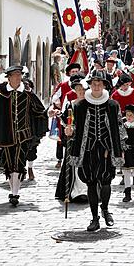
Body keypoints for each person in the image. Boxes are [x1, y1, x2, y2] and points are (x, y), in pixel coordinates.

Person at [0, 65, 48, 206]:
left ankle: (15, 193)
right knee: (10, 163)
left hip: (24, 135)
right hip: (6, 135)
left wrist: (45, 115)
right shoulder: (1, 94)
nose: (17, 78)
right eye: (14, 75)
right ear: (9, 77)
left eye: (19, 75)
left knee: (19, 162)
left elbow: (39, 109)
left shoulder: (28, 93)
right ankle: (13, 189)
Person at [68, 70, 127, 231]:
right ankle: (94, 218)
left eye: (99, 84)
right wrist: (70, 131)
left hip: (107, 150)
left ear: (104, 86)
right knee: (91, 183)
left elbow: (120, 127)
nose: (96, 86)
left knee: (106, 181)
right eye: (93, 84)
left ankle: (106, 209)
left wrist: (121, 148)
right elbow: (74, 127)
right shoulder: (80, 106)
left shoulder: (112, 105)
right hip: (86, 150)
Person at [54, 74, 88, 202]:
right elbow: (66, 120)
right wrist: (68, 128)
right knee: (74, 165)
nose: (81, 92)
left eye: (83, 90)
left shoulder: (91, 104)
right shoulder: (71, 105)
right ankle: (74, 192)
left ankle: (85, 191)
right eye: (78, 90)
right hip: (74, 139)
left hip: (87, 139)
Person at [52, 62, 81, 169]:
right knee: (61, 137)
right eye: (73, 71)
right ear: (69, 73)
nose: (74, 73)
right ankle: (59, 159)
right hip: (65, 113)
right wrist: (57, 102)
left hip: (77, 114)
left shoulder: (82, 85)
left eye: (76, 71)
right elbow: (55, 96)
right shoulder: (64, 85)